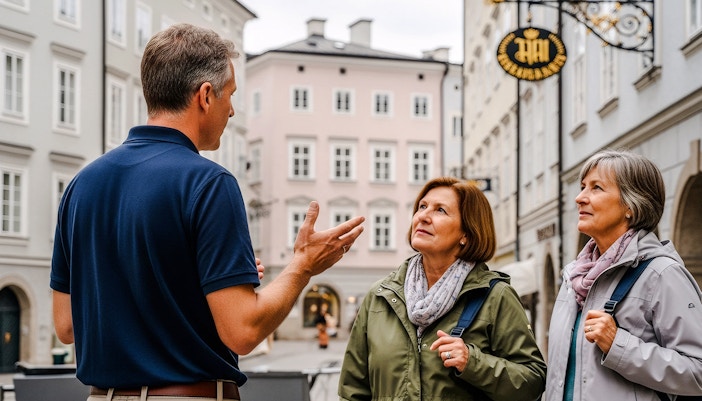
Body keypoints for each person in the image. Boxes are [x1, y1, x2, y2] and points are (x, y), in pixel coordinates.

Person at [50, 23, 364, 401]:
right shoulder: (209, 182)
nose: (232, 110)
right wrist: (303, 266)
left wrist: (201, 287)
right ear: (204, 96)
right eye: (229, 95)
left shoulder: (82, 185)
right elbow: (242, 331)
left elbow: (66, 326)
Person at [339, 177, 546, 401]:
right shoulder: (381, 296)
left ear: (466, 234)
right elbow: (353, 389)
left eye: (440, 210)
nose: (423, 217)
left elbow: (532, 381)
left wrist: (472, 362)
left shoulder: (495, 296)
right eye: (422, 207)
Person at [545, 150, 702, 401]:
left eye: (596, 188)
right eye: (583, 186)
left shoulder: (661, 274)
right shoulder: (573, 278)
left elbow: (698, 372)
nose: (580, 198)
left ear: (631, 205)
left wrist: (619, 344)